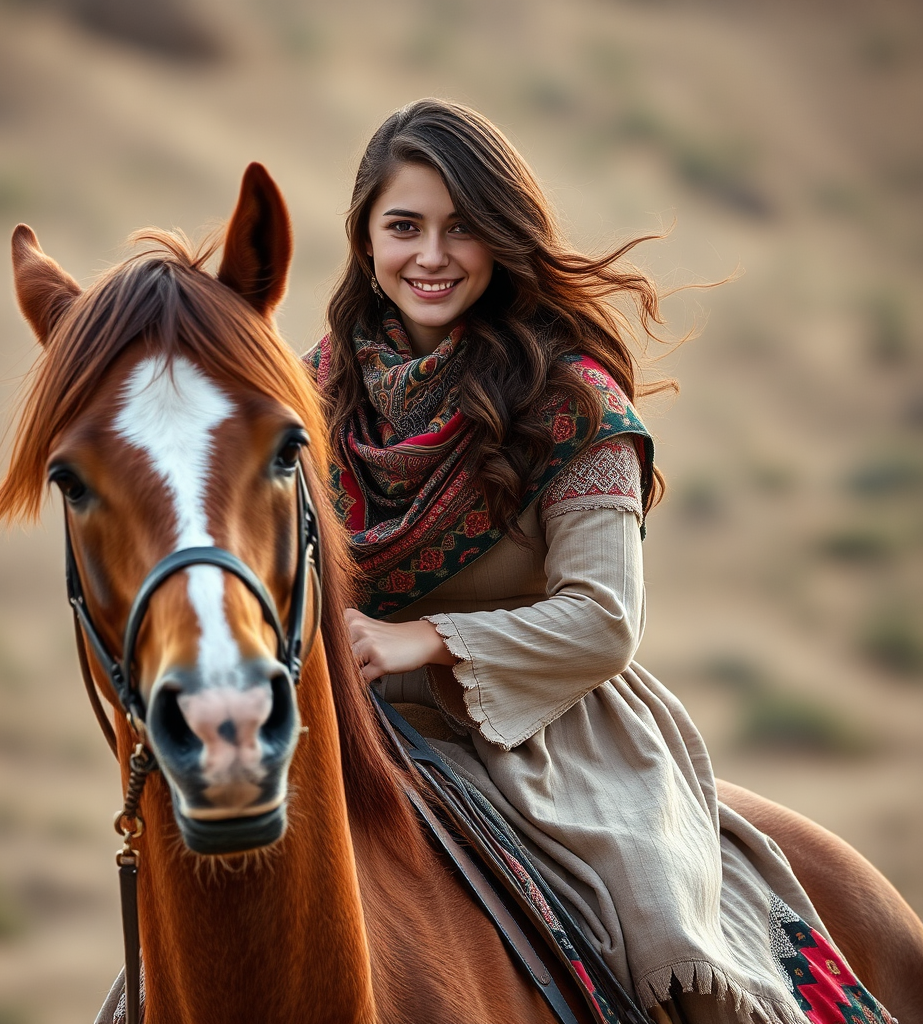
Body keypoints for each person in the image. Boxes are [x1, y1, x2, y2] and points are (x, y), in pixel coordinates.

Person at [304, 99, 892, 1024]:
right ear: (366, 241)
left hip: (552, 737)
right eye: (404, 227)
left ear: (501, 238)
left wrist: (419, 639)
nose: (431, 255)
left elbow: (605, 619)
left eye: (461, 228)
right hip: (361, 733)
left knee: (669, 940)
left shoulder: (572, 399)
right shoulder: (308, 399)